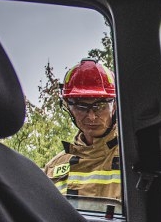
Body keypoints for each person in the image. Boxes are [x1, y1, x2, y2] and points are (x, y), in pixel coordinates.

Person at [44, 58, 121, 202]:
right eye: (81, 107)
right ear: (69, 108)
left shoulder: (133, 158)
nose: (91, 117)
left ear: (115, 105)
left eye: (100, 106)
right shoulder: (53, 168)